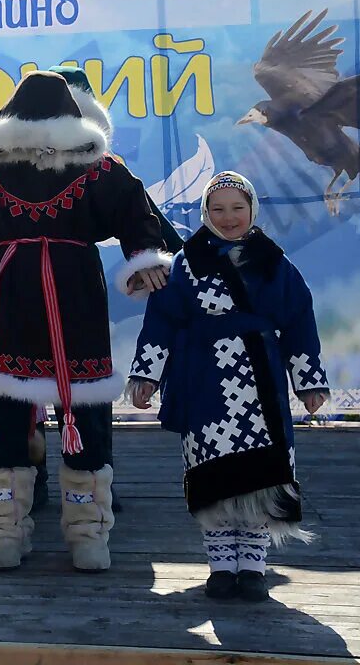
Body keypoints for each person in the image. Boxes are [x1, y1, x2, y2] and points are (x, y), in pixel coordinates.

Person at [0, 33, 184, 529]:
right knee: (8, 406)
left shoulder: (98, 167)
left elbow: (138, 212)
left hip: (72, 302)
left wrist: (152, 256)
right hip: (15, 299)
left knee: (81, 408)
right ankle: (9, 523)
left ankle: (87, 524)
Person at [126, 171, 329, 602]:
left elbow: (299, 322)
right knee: (210, 471)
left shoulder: (274, 263)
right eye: (218, 209)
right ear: (205, 214)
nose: (229, 216)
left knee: (262, 475)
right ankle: (221, 566)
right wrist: (146, 375)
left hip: (262, 387)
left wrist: (308, 381)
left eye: (238, 207)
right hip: (204, 383)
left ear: (252, 210)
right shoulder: (184, 264)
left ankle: (254, 567)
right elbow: (161, 322)